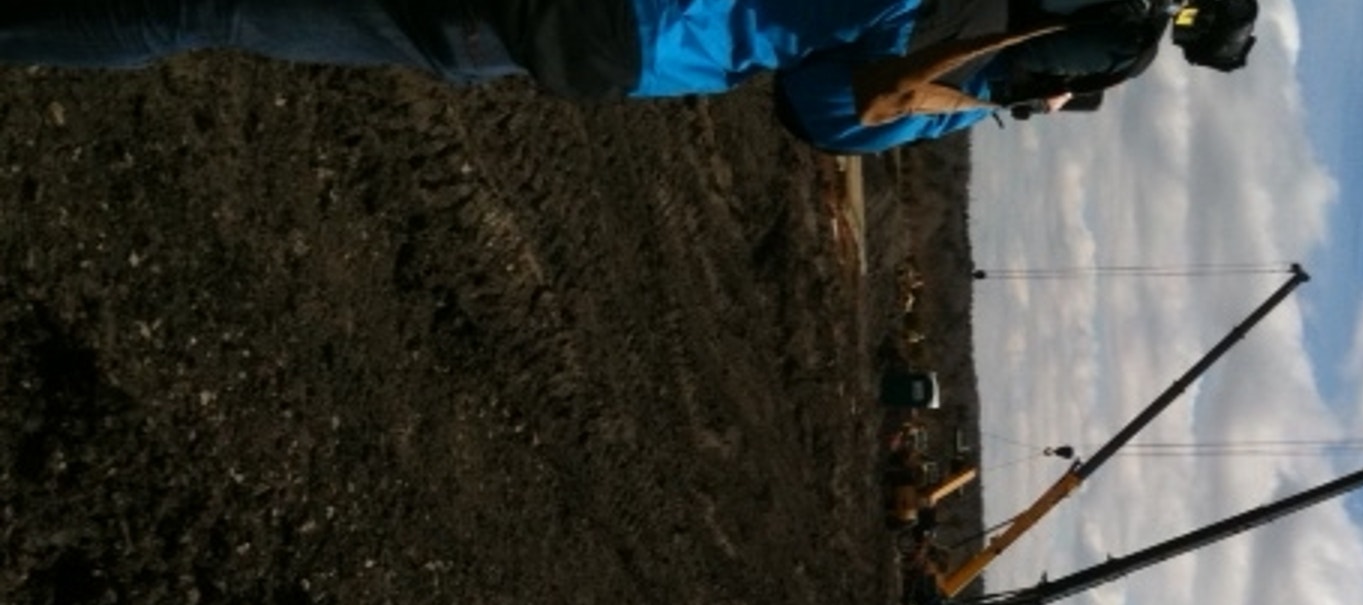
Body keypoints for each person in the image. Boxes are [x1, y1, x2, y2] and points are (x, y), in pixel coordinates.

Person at [0, 0, 1258, 153]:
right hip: (611, 28)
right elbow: (824, 109)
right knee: (208, 8)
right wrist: (973, 103)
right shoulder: (973, 61)